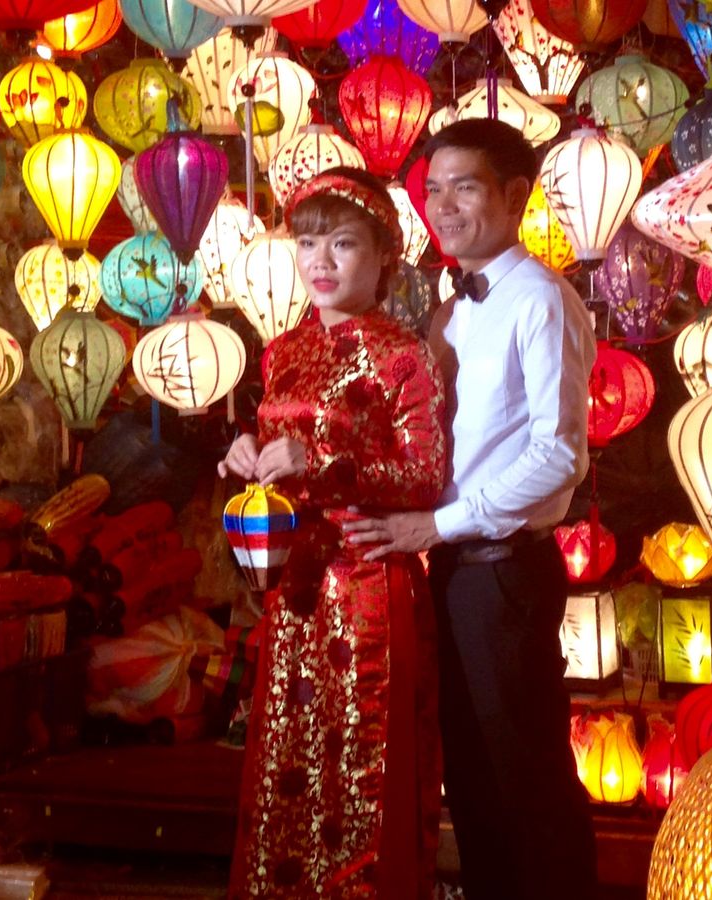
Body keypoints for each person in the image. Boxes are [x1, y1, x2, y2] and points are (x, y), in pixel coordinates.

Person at [343, 120, 600, 899]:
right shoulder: (450, 309)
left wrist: (436, 525)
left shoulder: (541, 300)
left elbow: (559, 454)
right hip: (455, 569)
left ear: (515, 196)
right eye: (433, 191)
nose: (444, 207)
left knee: (525, 777)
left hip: (504, 571)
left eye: (464, 188)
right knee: (475, 780)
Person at [220, 167, 447, 899]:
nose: (320, 261)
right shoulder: (282, 352)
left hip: (366, 585)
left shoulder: (402, 354)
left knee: (358, 764)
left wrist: (318, 462)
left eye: (343, 244)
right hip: (295, 588)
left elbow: (425, 475)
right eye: (307, 243)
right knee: (289, 759)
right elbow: (279, 453)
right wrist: (248, 457)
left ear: (383, 257)